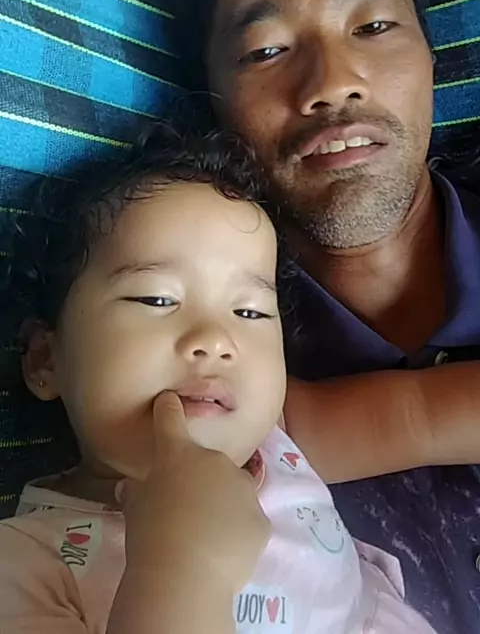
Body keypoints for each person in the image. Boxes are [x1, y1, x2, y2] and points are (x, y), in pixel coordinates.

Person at [176, 0, 480, 634]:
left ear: (433, 59)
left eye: (373, 27)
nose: (332, 83)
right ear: (213, 107)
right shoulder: (203, 356)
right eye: (267, 50)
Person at [0, 124, 455, 633]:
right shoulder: (23, 567)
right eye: (157, 299)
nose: (215, 339)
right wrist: (182, 571)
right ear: (45, 358)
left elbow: (421, 417)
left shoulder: (278, 439)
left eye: (250, 312)